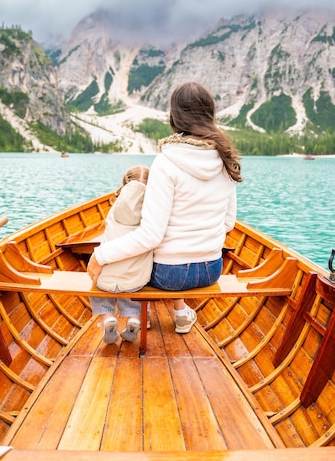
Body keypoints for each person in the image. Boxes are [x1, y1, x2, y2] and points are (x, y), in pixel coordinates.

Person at [87, 81, 242, 335]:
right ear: (209, 115)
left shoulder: (165, 162)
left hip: (170, 276)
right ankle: (180, 313)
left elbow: (151, 236)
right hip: (212, 268)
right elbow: (228, 224)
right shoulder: (226, 159)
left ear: (175, 116)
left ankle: (137, 316)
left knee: (131, 259)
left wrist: (100, 255)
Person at [89, 165, 152, 344]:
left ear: (124, 184)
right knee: (135, 285)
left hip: (106, 280)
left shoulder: (114, 209)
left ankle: (107, 316)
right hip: (135, 281)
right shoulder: (152, 213)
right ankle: (135, 320)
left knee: (97, 285)